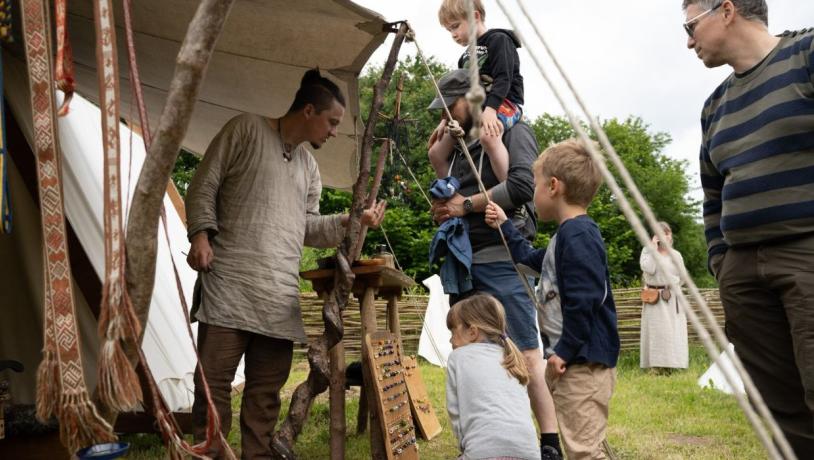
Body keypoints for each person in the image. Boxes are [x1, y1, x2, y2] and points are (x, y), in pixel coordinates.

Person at [184, 68, 386, 458]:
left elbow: (307, 226)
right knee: (212, 387)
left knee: (264, 395)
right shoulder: (245, 129)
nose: (333, 131)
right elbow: (203, 184)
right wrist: (200, 236)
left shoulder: (309, 169)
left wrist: (351, 220)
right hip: (229, 286)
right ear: (308, 110)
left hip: (277, 296)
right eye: (331, 122)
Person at [683, 0, 814, 454]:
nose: (687, 40)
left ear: (727, 10)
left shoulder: (806, 55)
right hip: (743, 273)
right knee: (777, 412)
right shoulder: (713, 106)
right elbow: (712, 196)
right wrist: (722, 262)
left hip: (805, 256)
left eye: (691, 25)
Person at [428, 68, 561, 459]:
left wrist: (464, 206)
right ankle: (478, 441)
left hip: (503, 256)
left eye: (448, 106)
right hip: (465, 258)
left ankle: (550, 442)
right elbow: (451, 193)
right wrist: (445, 210)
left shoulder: (513, 129)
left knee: (524, 351)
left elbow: (521, 188)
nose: (444, 116)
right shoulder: (453, 144)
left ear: (468, 100)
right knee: (469, 352)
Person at [485, 139, 620, 459]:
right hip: (577, 361)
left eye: (535, 185)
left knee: (583, 449)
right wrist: (506, 226)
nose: (532, 194)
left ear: (554, 186)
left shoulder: (579, 236)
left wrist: (564, 352)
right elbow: (530, 260)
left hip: (582, 362)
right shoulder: (569, 236)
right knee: (584, 437)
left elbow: (584, 300)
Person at [430, 0, 525, 182]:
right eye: (449, 30)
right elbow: (458, 95)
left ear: (475, 17)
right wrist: (445, 120)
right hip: (475, 109)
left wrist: (491, 110)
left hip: (504, 103)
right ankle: (450, 197)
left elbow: (504, 78)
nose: (453, 35)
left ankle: (511, 192)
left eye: (455, 27)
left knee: (488, 136)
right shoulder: (464, 57)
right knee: (436, 151)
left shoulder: (499, 40)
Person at [445, 294, 540, 460]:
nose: (450, 340)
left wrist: (464, 447)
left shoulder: (458, 357)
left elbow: (455, 412)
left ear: (472, 332)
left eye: (453, 332)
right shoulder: (512, 358)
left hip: (483, 452)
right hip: (529, 451)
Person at [639, 222, 689, 371]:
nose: (664, 236)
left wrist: (671, 288)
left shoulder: (676, 255)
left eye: (666, 233)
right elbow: (649, 269)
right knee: (656, 332)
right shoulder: (647, 252)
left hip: (672, 297)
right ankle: (655, 367)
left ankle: (674, 365)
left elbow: (683, 277)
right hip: (653, 298)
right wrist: (653, 248)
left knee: (673, 331)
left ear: (670, 235)